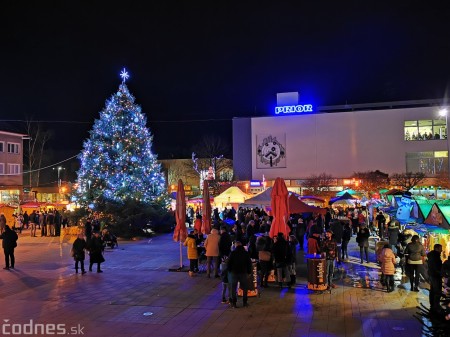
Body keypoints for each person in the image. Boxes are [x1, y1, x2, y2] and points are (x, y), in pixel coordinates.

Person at [227, 241, 252, 308]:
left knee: (233, 287)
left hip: (234, 272)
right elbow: (249, 263)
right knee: (244, 287)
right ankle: (245, 302)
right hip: (243, 272)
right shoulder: (245, 253)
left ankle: (234, 302)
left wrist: (229, 270)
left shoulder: (233, 253)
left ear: (235, 246)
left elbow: (229, 263)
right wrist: (249, 272)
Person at [427, 244, 443, 313]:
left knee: (432, 290)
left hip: (432, 274)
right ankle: (436, 306)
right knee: (437, 290)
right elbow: (436, 267)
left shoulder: (432, 255)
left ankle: (433, 305)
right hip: (435, 275)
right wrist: (440, 272)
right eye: (440, 248)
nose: (441, 250)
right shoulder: (435, 256)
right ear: (437, 248)